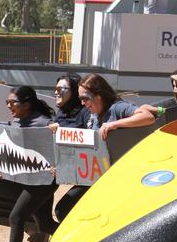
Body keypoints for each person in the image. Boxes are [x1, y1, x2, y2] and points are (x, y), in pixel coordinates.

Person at [53, 74, 155, 222]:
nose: (82, 103)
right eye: (80, 98)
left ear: (98, 96)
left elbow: (147, 117)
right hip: (95, 179)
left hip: (116, 180)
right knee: (63, 209)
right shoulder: (93, 114)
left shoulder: (117, 107)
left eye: (85, 98)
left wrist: (115, 124)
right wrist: (63, 168)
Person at [5, 86, 59, 242]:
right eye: (7, 102)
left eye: (13, 102)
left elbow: (62, 145)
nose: (8, 105)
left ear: (27, 104)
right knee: (45, 224)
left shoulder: (44, 122)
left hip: (45, 181)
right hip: (30, 179)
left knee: (16, 217)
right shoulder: (16, 121)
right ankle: (84, 241)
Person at [47, 73, 90, 222]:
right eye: (55, 88)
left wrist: (62, 130)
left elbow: (91, 142)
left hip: (92, 176)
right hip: (72, 172)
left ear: (74, 92)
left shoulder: (86, 112)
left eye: (61, 88)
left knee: (62, 210)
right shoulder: (61, 113)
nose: (56, 92)